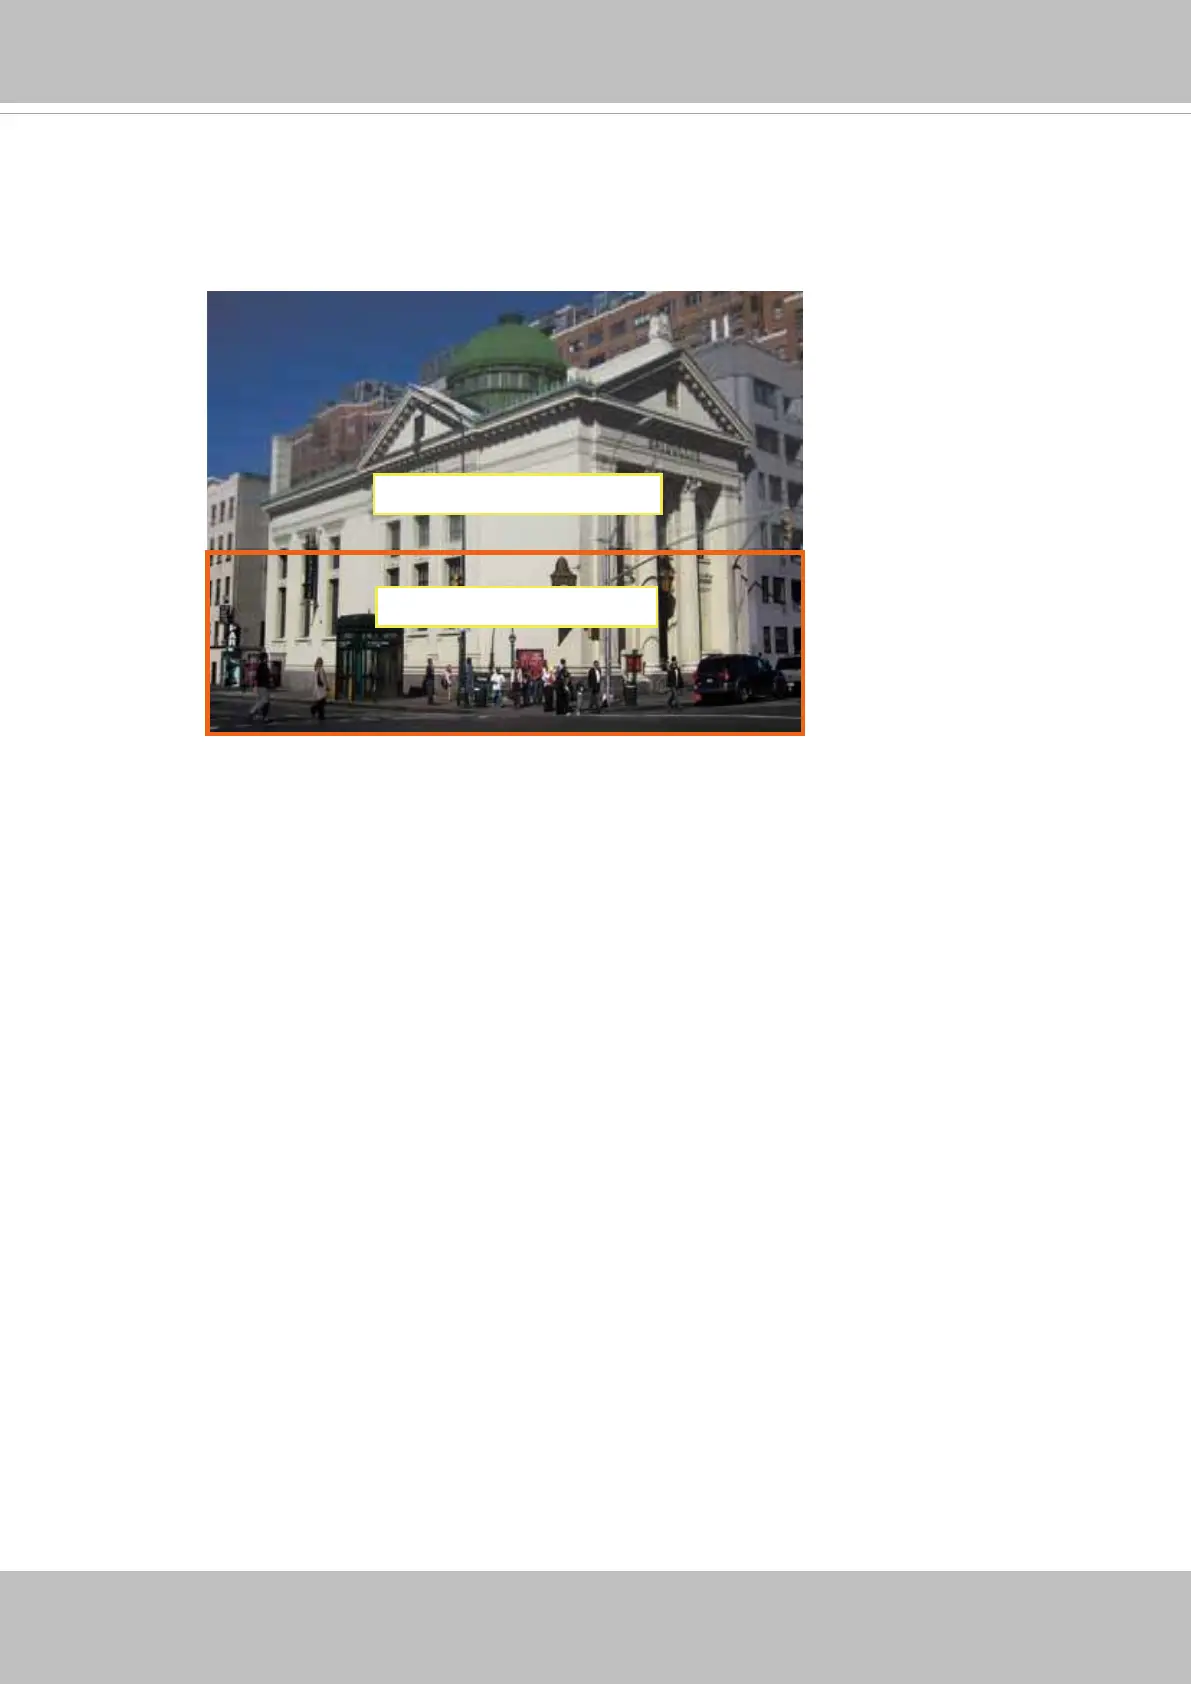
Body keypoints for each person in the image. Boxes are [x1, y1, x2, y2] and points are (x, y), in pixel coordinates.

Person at [249, 656, 272, 722]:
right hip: (263, 686)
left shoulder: (262, 666)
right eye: (266, 658)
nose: (267, 659)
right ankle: (253, 711)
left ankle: (264, 717)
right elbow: (262, 676)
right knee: (264, 701)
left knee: (266, 702)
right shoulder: (262, 666)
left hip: (262, 686)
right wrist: (269, 678)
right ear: (264, 659)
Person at [310, 656, 329, 721]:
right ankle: (317, 711)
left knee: (320, 702)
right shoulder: (321, 670)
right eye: (322, 662)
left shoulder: (316, 669)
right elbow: (322, 679)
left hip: (318, 688)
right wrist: (326, 686)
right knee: (322, 702)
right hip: (321, 688)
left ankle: (317, 712)